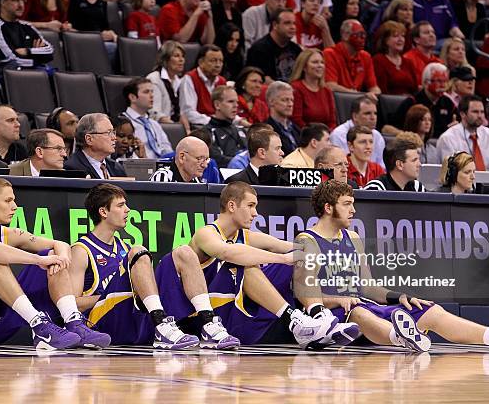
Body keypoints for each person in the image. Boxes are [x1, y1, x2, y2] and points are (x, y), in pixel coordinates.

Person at [310, 179, 489, 352]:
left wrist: (398, 296)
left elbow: (368, 287)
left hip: (365, 304)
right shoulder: (307, 240)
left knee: (430, 310)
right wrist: (339, 300)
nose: (353, 210)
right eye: (347, 204)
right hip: (335, 316)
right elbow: (304, 295)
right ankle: (401, 337)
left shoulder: (353, 238)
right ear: (329, 208)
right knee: (360, 313)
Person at [0, 177, 111, 349]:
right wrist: (38, 260)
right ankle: (39, 324)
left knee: (52, 254)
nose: (15, 206)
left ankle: (73, 322)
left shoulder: (8, 233)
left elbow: (60, 244)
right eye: (8, 200)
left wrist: (61, 258)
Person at [187, 181, 360, 347]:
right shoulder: (206, 233)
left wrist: (321, 250)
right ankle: (295, 320)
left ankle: (319, 316)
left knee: (299, 255)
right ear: (232, 206)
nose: (255, 213)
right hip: (205, 317)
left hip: (233, 308)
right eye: (250, 206)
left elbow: (287, 246)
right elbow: (228, 253)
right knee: (246, 265)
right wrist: (283, 258)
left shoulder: (244, 235)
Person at [70, 183, 239, 349]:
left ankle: (208, 323)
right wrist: (124, 293)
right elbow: (73, 305)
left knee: (184, 252)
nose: (128, 210)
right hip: (103, 321)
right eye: (121, 205)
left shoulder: (124, 247)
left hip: (136, 317)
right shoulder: (82, 250)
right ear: (103, 211)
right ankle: (160, 322)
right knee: (139, 252)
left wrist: (141, 293)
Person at [436, 95, 489, 183]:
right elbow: (451, 175)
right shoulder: (448, 139)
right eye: (475, 112)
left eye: (482, 112)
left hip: (488, 190)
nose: (480, 116)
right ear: (462, 114)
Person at [0, 0, 54, 73]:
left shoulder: (27, 27)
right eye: (15, 0)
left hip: (35, 76)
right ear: (3, 2)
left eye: (23, 0)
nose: (21, 5)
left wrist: (28, 51)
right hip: (12, 79)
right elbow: (11, 60)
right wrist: (37, 59)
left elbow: (50, 51)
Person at [386, 62, 454, 138]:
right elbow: (387, 128)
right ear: (425, 83)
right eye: (439, 81)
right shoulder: (412, 102)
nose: (443, 85)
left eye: (445, 81)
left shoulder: (448, 103)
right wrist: (408, 136)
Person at [324, 19, 381, 100]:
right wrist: (359, 95)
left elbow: (374, 87)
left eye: (364, 35)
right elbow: (331, 86)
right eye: (358, 34)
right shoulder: (330, 53)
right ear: (345, 35)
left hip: (358, 102)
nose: (362, 39)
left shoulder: (365, 56)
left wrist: (374, 93)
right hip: (337, 101)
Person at [121, 77, 173, 159]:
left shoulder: (154, 124)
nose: (152, 95)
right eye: (146, 92)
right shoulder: (123, 123)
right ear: (132, 97)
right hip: (140, 167)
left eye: (152, 92)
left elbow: (167, 149)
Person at [246, 8, 302, 83]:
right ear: (275, 25)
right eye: (287, 23)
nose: (292, 27)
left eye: (294, 23)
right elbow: (261, 80)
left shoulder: (296, 49)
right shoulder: (259, 50)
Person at [329, 96, 386, 169]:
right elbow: (337, 165)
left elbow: (382, 166)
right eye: (367, 113)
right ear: (355, 116)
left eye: (375, 113)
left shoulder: (377, 136)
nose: (373, 117)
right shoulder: (338, 134)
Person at [64, 113, 127, 179]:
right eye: (108, 133)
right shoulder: (72, 169)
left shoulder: (117, 168)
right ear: (89, 139)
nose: (114, 138)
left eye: (113, 132)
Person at [179, 44, 227, 126]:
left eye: (220, 61)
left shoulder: (222, 81)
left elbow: (226, 110)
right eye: (213, 61)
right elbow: (188, 113)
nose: (218, 65)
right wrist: (214, 121)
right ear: (201, 62)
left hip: (218, 126)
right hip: (199, 128)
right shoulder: (189, 79)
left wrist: (239, 121)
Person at [289, 49, 337, 130]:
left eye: (322, 62)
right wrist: (315, 135)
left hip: (325, 137)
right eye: (315, 62)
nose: (320, 65)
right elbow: (296, 120)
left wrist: (327, 135)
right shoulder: (296, 88)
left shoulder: (327, 91)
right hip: (304, 135)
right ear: (304, 67)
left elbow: (332, 122)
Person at [372, 20, 418, 96]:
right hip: (389, 104)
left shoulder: (408, 62)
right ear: (385, 40)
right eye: (395, 36)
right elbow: (382, 91)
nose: (401, 39)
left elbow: (415, 90)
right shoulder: (378, 60)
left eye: (402, 36)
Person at [147, 41, 187, 126]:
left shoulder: (180, 81)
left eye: (182, 56)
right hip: (160, 125)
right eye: (176, 56)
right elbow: (154, 112)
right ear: (165, 59)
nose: (181, 60)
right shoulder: (154, 79)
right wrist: (174, 127)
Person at [205, 86, 247, 168]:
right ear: (217, 105)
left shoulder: (241, 131)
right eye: (231, 101)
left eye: (237, 102)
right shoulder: (207, 133)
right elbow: (217, 160)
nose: (236, 105)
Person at [265, 81, 301, 156]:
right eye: (285, 100)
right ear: (271, 101)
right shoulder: (265, 130)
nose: (290, 104)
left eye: (292, 100)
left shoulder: (297, 129)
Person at [402, 21, 443, 86]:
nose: (432, 35)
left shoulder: (439, 62)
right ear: (416, 40)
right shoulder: (407, 59)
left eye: (433, 32)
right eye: (426, 33)